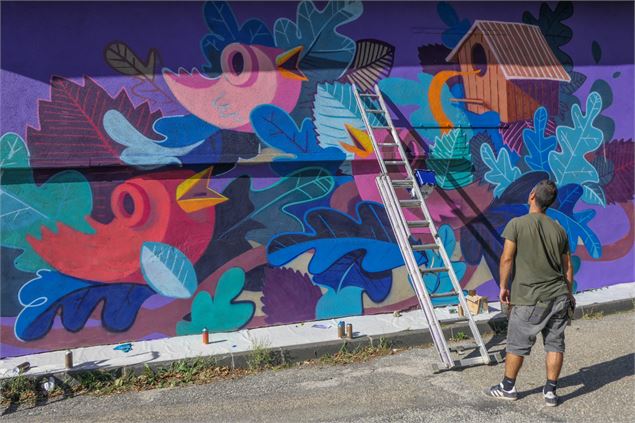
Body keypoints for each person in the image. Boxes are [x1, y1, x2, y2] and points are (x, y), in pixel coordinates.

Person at [485, 180, 575, 407]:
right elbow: (567, 267)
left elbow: (506, 258)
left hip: (529, 297)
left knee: (517, 344)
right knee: (555, 344)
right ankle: (550, 393)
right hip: (559, 295)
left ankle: (507, 387)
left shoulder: (516, 224)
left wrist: (503, 286)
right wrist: (569, 293)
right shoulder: (559, 228)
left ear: (532, 195)